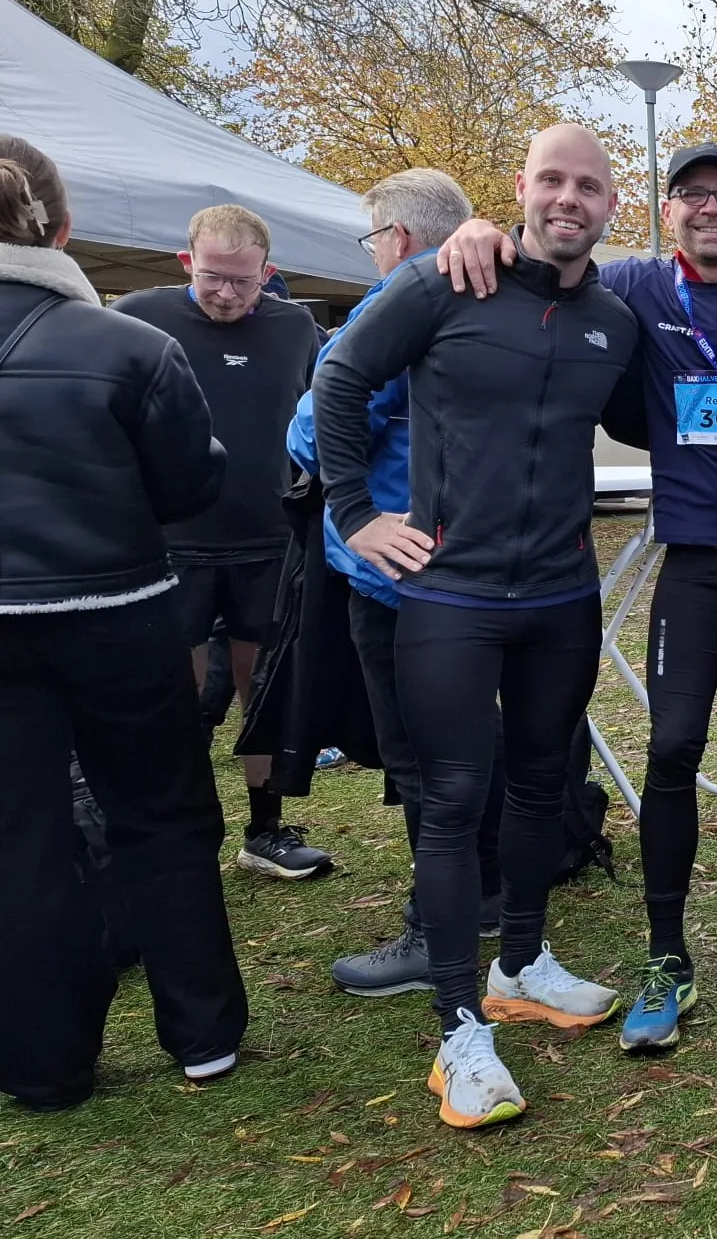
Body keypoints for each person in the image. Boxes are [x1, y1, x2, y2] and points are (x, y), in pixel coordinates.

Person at [437, 141, 717, 1052]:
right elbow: (549, 262)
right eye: (692, 195)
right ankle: (666, 954)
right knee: (675, 743)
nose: (710, 209)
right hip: (698, 552)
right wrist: (480, 230)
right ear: (666, 211)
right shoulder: (637, 286)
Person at [314, 124, 644, 1128]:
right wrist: (354, 515)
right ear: (521, 187)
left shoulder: (613, 320)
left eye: (589, 186)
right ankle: (462, 1028)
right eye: (552, 179)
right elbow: (337, 379)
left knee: (543, 783)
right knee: (455, 800)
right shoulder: (440, 284)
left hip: (558, 598)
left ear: (610, 207)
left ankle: (524, 961)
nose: (569, 199)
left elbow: (645, 416)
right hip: (450, 598)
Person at [0, 139, 247, 1107]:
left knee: (18, 835)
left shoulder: (131, 346)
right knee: (165, 817)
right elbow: (191, 483)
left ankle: (43, 1062)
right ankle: (205, 1035)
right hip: (120, 610)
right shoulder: (131, 347)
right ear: (62, 231)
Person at [288, 171, 509, 997]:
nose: (375, 251)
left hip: (397, 574)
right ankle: (484, 894)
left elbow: (312, 430)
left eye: (373, 237)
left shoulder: (393, 308)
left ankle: (434, 926)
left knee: (422, 760)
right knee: (474, 741)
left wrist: (357, 514)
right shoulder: (488, 306)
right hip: (476, 573)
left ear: (402, 240)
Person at [110, 205, 331, 879]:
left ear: (268, 273)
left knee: (257, 687)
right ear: (187, 264)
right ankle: (179, 837)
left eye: (245, 282)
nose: (229, 294)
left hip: (269, 539)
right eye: (214, 279)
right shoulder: (136, 317)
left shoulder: (298, 328)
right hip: (170, 543)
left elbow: (334, 410)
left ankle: (264, 830)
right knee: (174, 694)